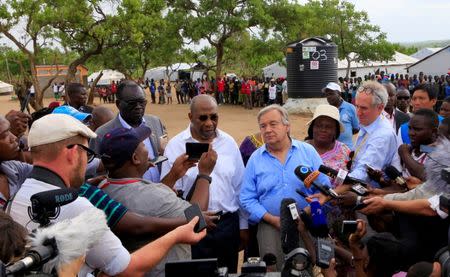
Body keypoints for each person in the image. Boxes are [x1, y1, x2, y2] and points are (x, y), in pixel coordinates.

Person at [7, 114, 206, 276]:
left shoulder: (18, 196)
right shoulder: (78, 206)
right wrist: (176, 235)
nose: (88, 162)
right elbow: (128, 268)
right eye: (87, 153)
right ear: (73, 152)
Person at [97, 125, 216, 277]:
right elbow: (196, 219)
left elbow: (151, 203)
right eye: (143, 146)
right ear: (135, 158)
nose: (147, 150)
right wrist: (204, 174)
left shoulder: (102, 187)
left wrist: (173, 175)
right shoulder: (154, 195)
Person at [161, 95, 247, 273]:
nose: (209, 123)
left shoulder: (229, 143)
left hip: (227, 225)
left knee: (228, 272)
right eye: (203, 118)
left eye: (213, 117)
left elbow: (239, 188)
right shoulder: (176, 146)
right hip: (192, 226)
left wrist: (243, 226)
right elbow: (168, 194)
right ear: (190, 117)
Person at [240, 104, 331, 271]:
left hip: (306, 223)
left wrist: (312, 208)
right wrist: (271, 219)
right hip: (270, 226)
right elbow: (246, 198)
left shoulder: (307, 152)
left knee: (306, 269)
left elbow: (324, 186)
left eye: (273, 124)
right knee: (274, 272)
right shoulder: (255, 159)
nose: (267, 130)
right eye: (263, 126)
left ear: (287, 126)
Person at [90, 80, 167, 183]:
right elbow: (97, 173)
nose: (138, 107)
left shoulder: (155, 122)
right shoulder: (102, 134)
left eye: (142, 102)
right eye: (132, 103)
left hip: (160, 191)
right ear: (118, 104)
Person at [348, 81, 399, 183]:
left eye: (363, 108)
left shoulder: (382, 135)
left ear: (380, 108)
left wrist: (338, 183)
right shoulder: (368, 123)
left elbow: (362, 173)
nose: (358, 113)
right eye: (357, 106)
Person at [304, 104, 351, 188]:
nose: (323, 130)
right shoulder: (301, 149)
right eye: (319, 125)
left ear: (336, 131)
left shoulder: (344, 151)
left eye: (328, 127)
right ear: (312, 128)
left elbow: (348, 182)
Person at [394, 109, 439, 181]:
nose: (411, 133)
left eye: (417, 129)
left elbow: (425, 175)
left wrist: (405, 154)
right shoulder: (411, 149)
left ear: (434, 131)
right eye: (410, 128)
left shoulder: (442, 154)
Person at [322, 82, 359, 149]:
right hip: (330, 150)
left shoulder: (350, 108)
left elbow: (356, 128)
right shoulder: (326, 110)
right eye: (327, 95)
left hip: (347, 150)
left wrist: (344, 134)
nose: (328, 97)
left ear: (339, 94)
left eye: (331, 94)